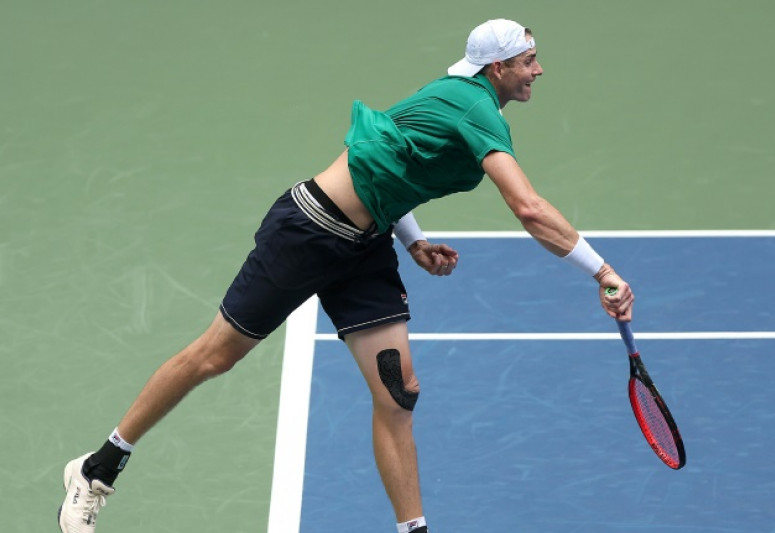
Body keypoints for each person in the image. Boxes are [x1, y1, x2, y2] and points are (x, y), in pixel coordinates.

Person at [58, 18, 634, 533]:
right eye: (529, 60)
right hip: (308, 231)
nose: (538, 69)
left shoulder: (461, 102)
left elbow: (385, 161)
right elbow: (529, 208)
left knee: (398, 392)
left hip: (365, 247)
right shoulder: (474, 106)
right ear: (499, 67)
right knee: (214, 356)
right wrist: (602, 272)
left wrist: (413, 240)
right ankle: (97, 468)